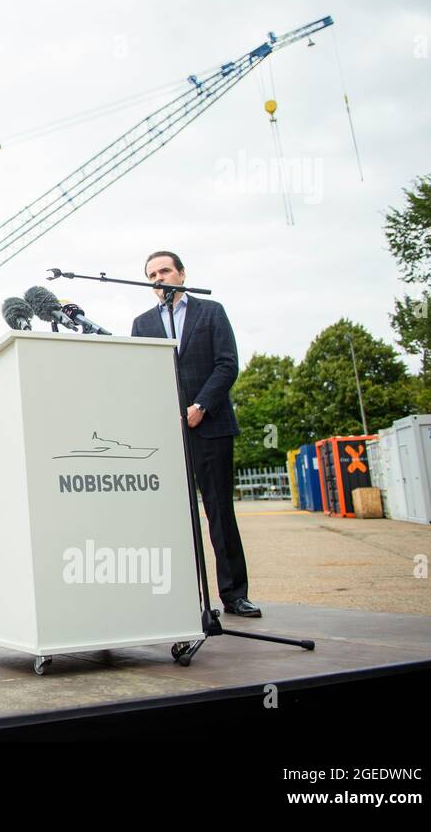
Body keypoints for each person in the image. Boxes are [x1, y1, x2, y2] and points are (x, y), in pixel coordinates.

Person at [130, 250, 261, 618]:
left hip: (211, 425)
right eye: (152, 274)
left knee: (220, 511)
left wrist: (200, 407)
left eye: (165, 271)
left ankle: (234, 595)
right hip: (166, 433)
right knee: (172, 515)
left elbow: (227, 364)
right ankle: (183, 597)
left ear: (182, 274)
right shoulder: (142, 324)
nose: (159, 278)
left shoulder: (211, 312)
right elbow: (140, 375)